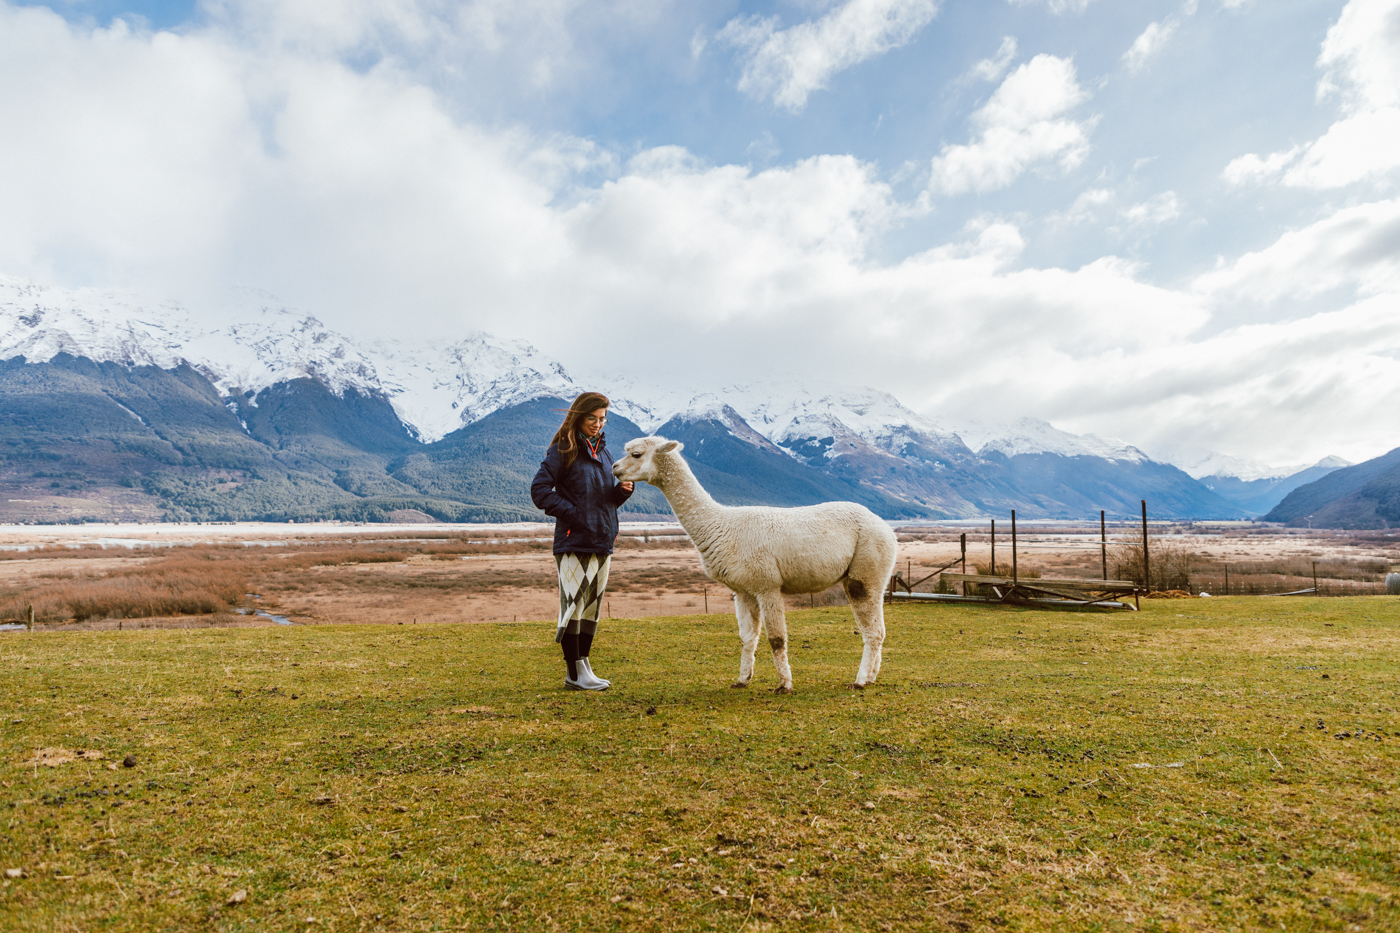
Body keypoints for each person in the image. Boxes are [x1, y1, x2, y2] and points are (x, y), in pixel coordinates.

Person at [530, 391, 634, 691]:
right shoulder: (563, 449)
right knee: (573, 606)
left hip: (602, 539)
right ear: (579, 416)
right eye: (593, 418)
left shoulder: (603, 452)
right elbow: (539, 491)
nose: (598, 424)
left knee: (590, 607)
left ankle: (583, 665)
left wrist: (621, 493)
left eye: (602, 419)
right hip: (574, 541)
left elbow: (602, 500)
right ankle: (573, 673)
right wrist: (574, 515)